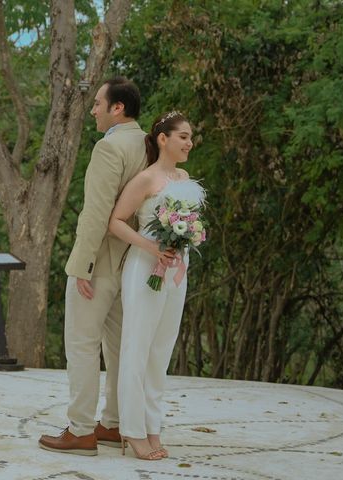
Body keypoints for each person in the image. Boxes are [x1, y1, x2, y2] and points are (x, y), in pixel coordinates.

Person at [39, 77, 147, 456]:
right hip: (133, 263)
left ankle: (82, 430)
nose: (93, 110)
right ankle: (115, 424)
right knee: (119, 349)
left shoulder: (109, 147)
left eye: (98, 103)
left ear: (118, 108)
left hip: (99, 260)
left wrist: (81, 265)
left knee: (82, 346)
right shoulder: (148, 144)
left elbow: (97, 212)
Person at [108, 111, 205, 460]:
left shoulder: (183, 177)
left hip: (176, 269)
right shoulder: (145, 179)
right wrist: (151, 247)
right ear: (163, 139)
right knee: (137, 348)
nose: (189, 143)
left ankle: (152, 426)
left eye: (191, 137)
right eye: (183, 136)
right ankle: (131, 431)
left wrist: (189, 236)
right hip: (145, 267)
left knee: (160, 351)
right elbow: (116, 222)